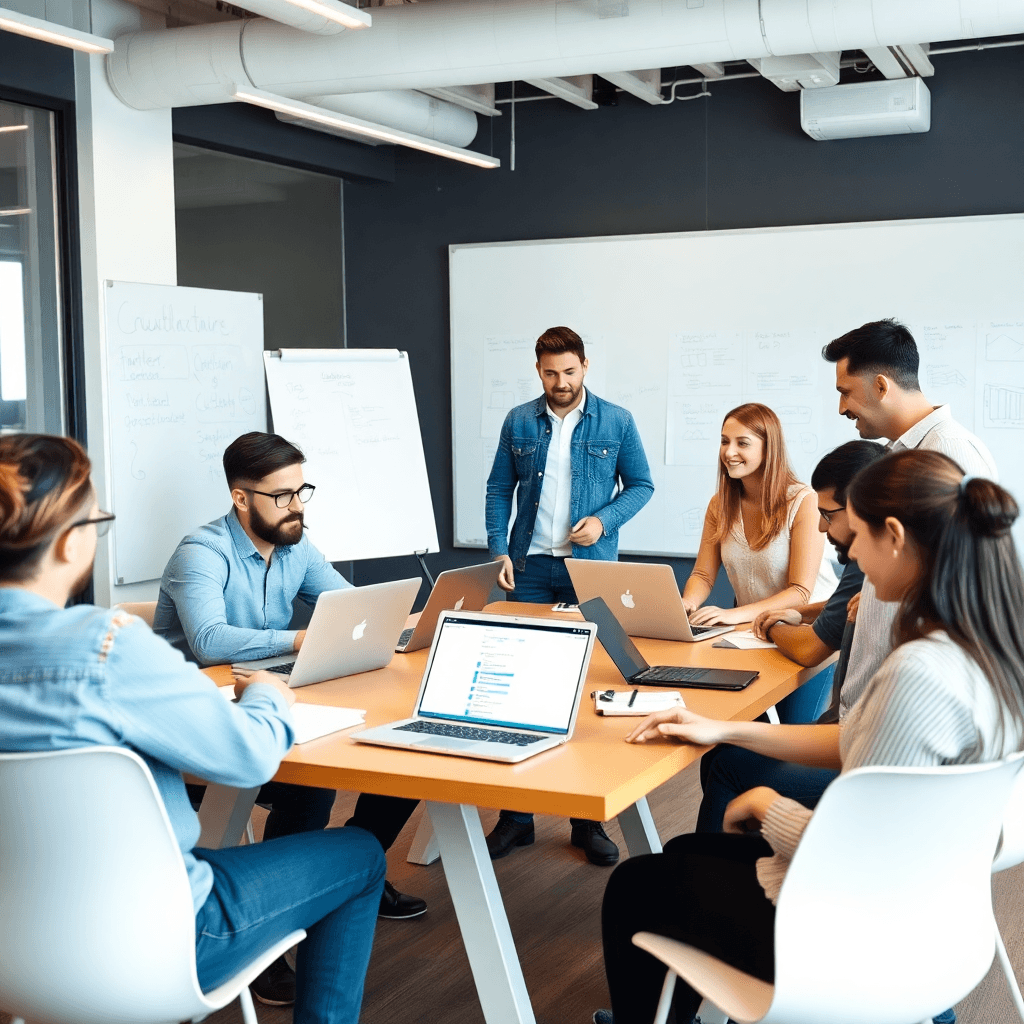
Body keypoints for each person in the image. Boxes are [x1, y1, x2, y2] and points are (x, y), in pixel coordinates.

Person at [595, 448, 1024, 1024]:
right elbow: (859, 745)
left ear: (894, 535)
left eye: (857, 541)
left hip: (858, 936)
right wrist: (726, 728)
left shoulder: (918, 672)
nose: (854, 563)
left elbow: (858, 854)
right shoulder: (992, 649)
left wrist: (769, 806)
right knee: (684, 854)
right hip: (943, 916)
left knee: (636, 886)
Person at [0, 434, 385, 1024]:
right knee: (360, 854)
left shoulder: (293, 551)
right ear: (72, 543)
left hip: (16, 952)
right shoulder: (107, 649)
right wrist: (267, 698)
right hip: (163, 938)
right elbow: (251, 757)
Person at [153, 431, 424, 1004]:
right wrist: (304, 635)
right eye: (283, 495)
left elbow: (349, 604)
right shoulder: (201, 552)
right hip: (203, 725)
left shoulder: (296, 543)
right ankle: (271, 935)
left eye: (303, 490)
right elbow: (208, 640)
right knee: (312, 789)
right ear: (241, 498)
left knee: (399, 747)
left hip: (273, 692)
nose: (298, 505)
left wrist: (394, 624)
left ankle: (354, 879)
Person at [484, 326, 655, 865]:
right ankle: (516, 819)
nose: (561, 382)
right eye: (551, 373)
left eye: (570, 371)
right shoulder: (519, 420)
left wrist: (604, 522)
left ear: (586, 366)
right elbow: (497, 489)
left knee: (585, 687)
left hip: (589, 568)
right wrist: (498, 549)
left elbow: (642, 486)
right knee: (520, 688)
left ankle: (587, 822)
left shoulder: (617, 420)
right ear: (539, 370)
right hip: (530, 566)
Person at [694, 439, 886, 834]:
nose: (821, 527)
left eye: (829, 516)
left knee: (727, 763)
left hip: (867, 766)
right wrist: (801, 613)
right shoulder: (873, 572)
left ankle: (711, 867)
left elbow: (811, 643)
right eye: (725, 440)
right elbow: (834, 602)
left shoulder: (866, 563)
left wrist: (771, 621)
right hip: (854, 738)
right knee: (722, 755)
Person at [682, 402, 838, 627]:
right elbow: (703, 575)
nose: (729, 452)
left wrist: (733, 615)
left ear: (768, 449)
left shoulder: (804, 501)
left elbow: (800, 591)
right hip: (755, 629)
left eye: (742, 443)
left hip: (811, 632)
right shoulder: (719, 505)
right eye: (724, 441)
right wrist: (688, 602)